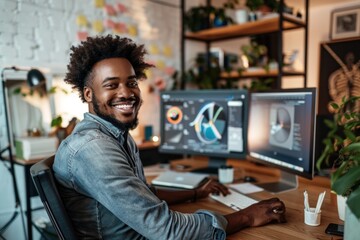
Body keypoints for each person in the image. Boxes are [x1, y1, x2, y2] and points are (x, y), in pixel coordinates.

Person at [53, 35, 286, 239]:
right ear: (88, 94)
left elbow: (142, 196)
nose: (126, 92)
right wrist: (246, 217)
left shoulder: (115, 135)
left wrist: (195, 193)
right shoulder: (94, 148)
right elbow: (167, 231)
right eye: (111, 85)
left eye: (131, 83)